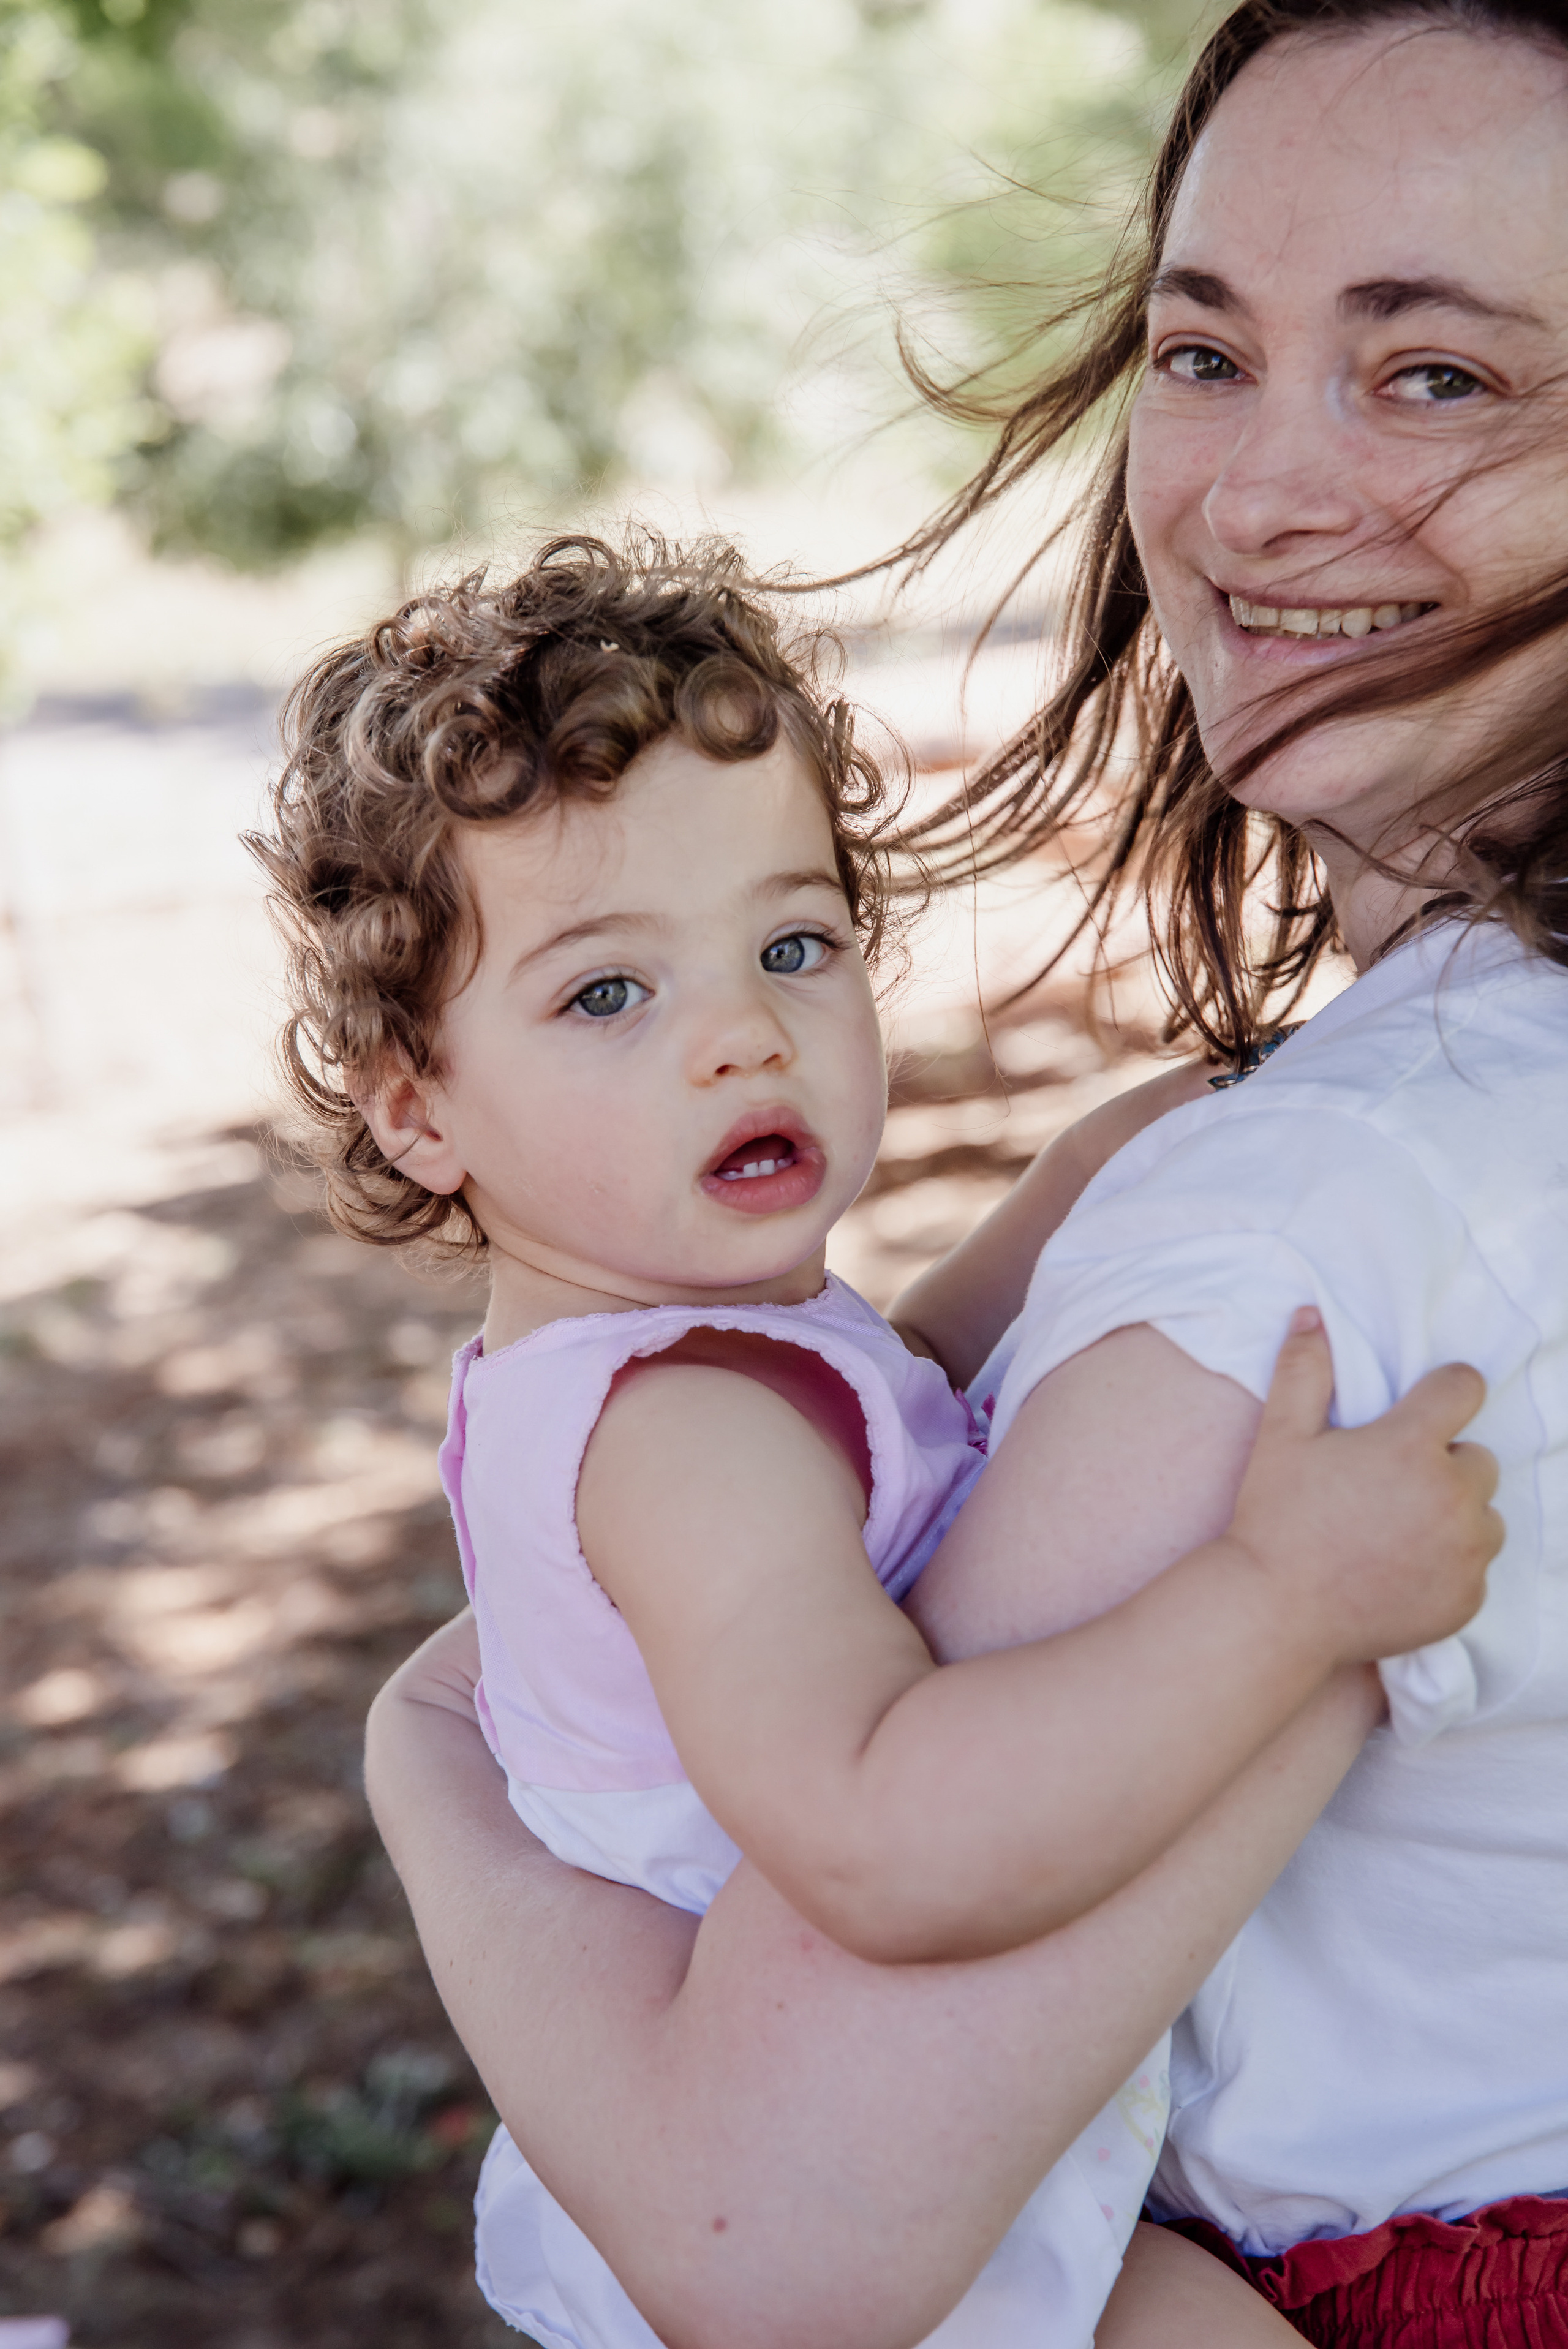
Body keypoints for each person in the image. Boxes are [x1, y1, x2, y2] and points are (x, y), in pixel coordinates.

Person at [366, 0, 1568, 2341]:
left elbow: (774, 2238)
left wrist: (427, 1752)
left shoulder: (1341, 1213)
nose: (1248, 494)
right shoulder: (1323, 1138)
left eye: (1436, 376)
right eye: (1205, 350)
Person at [254, 538, 1493, 2348]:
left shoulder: (685, 1355)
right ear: (419, 1106)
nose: (741, 1034)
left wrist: (1131, 1158)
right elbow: (885, 1830)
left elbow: (909, 1379)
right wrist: (1286, 1605)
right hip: (877, 2225)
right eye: (611, 992)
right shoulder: (687, 1438)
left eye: (793, 942)